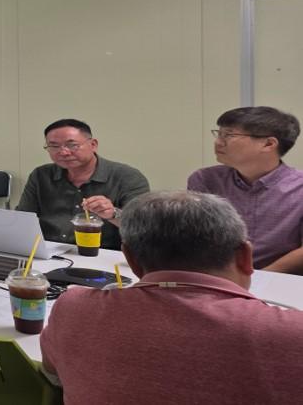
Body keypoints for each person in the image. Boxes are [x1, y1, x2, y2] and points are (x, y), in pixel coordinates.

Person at [40, 191, 303, 404]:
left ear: (131, 259)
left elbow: (53, 375)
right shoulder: (291, 332)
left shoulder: (74, 307)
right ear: (246, 256)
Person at [187, 106, 303, 274]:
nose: (218, 142)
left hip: (281, 280)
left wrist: (258, 278)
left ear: (268, 144)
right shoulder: (205, 180)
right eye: (219, 134)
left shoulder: (299, 187)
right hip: (217, 276)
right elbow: (194, 237)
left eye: (229, 135)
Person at [16, 119, 149, 249]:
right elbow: (22, 219)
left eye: (72, 145)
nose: (64, 152)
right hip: (50, 250)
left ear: (93, 145)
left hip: (105, 254)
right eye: (54, 146)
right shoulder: (41, 175)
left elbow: (143, 227)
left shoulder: (127, 177)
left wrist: (113, 214)